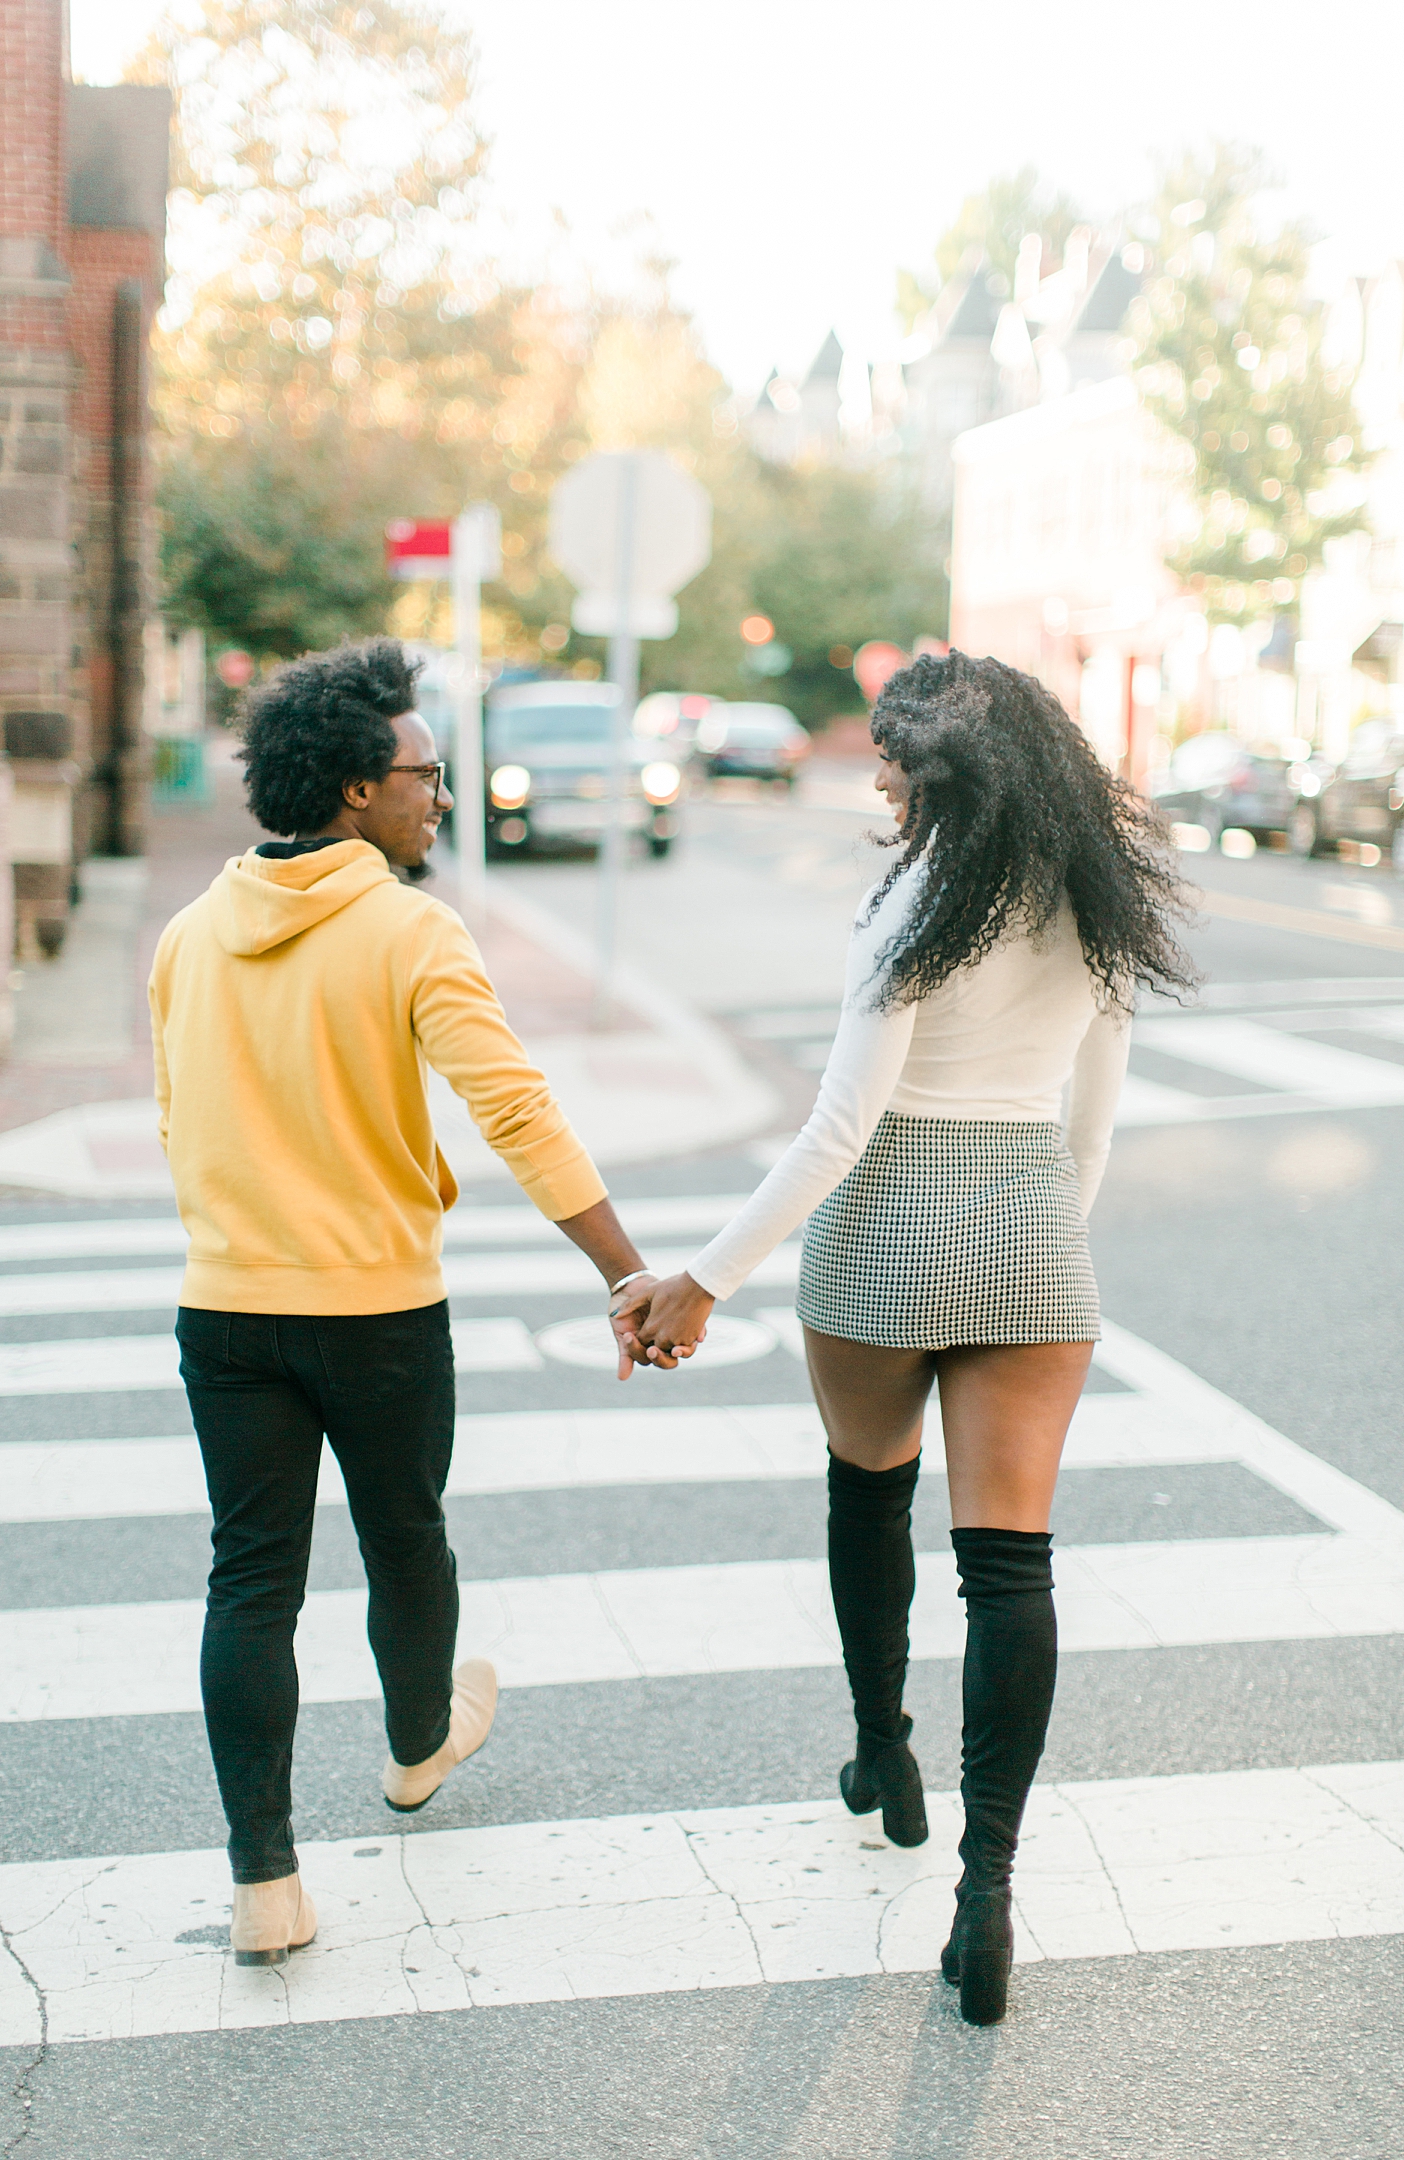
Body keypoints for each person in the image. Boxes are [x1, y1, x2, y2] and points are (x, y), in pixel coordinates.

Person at [618, 649, 1194, 2025]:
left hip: (882, 1236)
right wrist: (1037, 1243)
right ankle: (985, 1893)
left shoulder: (912, 906)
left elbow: (839, 1131)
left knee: (869, 1490)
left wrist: (701, 1278)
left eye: (890, 755)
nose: (875, 773)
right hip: (1029, 1239)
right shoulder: (1092, 898)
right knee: (1012, 1567)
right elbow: (1092, 1129)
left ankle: (883, 1752)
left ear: (940, 769)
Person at [150, 639, 657, 1968]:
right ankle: (418, 1746)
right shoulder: (411, 929)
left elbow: (178, 1124)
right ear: (360, 792)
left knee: (249, 1583)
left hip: (226, 1307)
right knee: (404, 1540)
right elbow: (517, 1113)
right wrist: (625, 1270)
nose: (442, 794)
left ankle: (266, 1883)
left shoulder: (187, 938)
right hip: (374, 1309)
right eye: (427, 773)